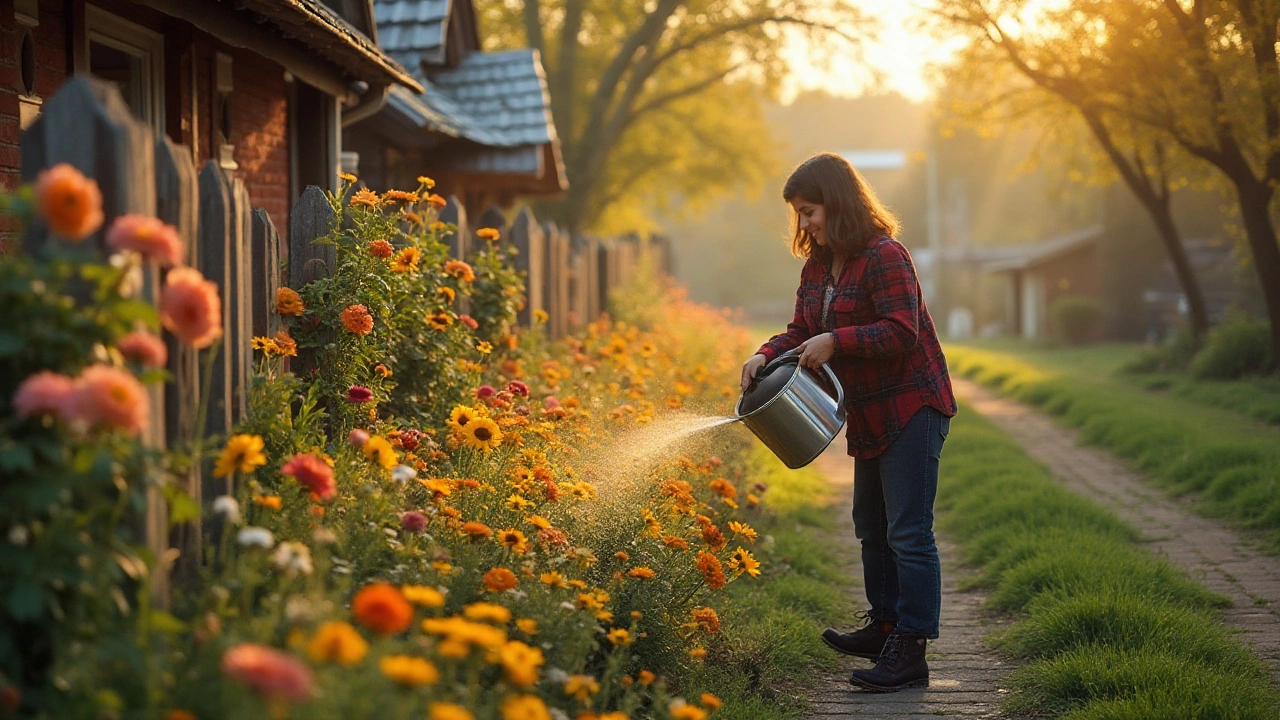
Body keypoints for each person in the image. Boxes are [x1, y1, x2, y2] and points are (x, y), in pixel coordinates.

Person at [740, 152, 957, 692]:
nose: (804, 224)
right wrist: (765, 354)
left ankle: (911, 651)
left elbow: (901, 332)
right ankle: (884, 626)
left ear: (836, 203)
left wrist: (838, 341)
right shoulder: (818, 266)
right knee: (870, 524)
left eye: (809, 210)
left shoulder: (886, 256)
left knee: (908, 532)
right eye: (799, 214)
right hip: (868, 410)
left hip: (911, 404)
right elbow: (799, 329)